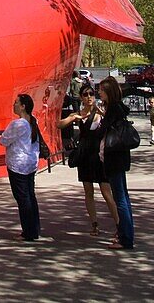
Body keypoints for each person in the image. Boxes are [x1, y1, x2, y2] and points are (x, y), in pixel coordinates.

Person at [58, 84, 118, 237]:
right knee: (88, 190)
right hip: (85, 156)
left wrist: (102, 113)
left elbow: (113, 124)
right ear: (81, 97)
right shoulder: (78, 113)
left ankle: (119, 223)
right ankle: (94, 224)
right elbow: (59, 124)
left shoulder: (101, 113)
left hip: (99, 155)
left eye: (92, 93)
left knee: (106, 191)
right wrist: (73, 118)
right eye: (85, 94)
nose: (89, 97)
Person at [98, 76, 135, 250]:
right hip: (120, 156)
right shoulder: (119, 108)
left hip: (114, 157)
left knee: (120, 197)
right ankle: (124, 233)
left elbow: (103, 129)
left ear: (107, 92)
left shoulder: (112, 109)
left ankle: (126, 238)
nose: (98, 93)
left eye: (100, 90)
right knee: (123, 196)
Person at [0, 93, 42, 242]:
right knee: (30, 196)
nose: (14, 105)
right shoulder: (32, 121)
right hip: (30, 163)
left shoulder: (18, 124)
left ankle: (28, 231)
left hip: (18, 164)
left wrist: (2, 139)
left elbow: (4, 140)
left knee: (23, 198)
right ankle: (34, 228)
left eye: (16, 103)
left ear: (23, 106)